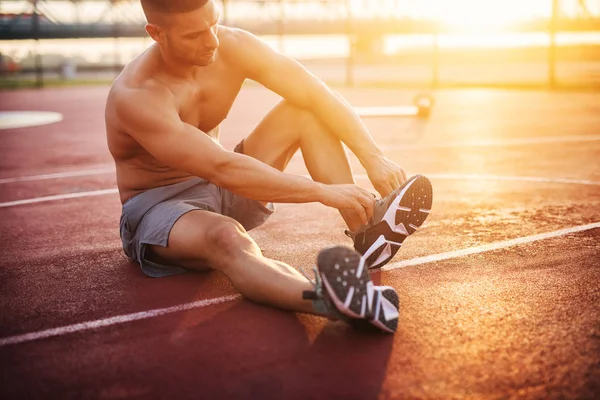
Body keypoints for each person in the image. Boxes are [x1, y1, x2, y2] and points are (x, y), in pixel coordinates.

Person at [105, 0, 433, 333]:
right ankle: (335, 301)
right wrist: (323, 191)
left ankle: (366, 226)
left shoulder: (231, 46)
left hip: (223, 187)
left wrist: (373, 156)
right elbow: (223, 167)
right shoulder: (138, 96)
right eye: (194, 35)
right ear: (156, 33)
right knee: (226, 238)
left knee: (304, 111)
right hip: (162, 208)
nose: (212, 42)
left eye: (213, 24)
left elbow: (314, 92)